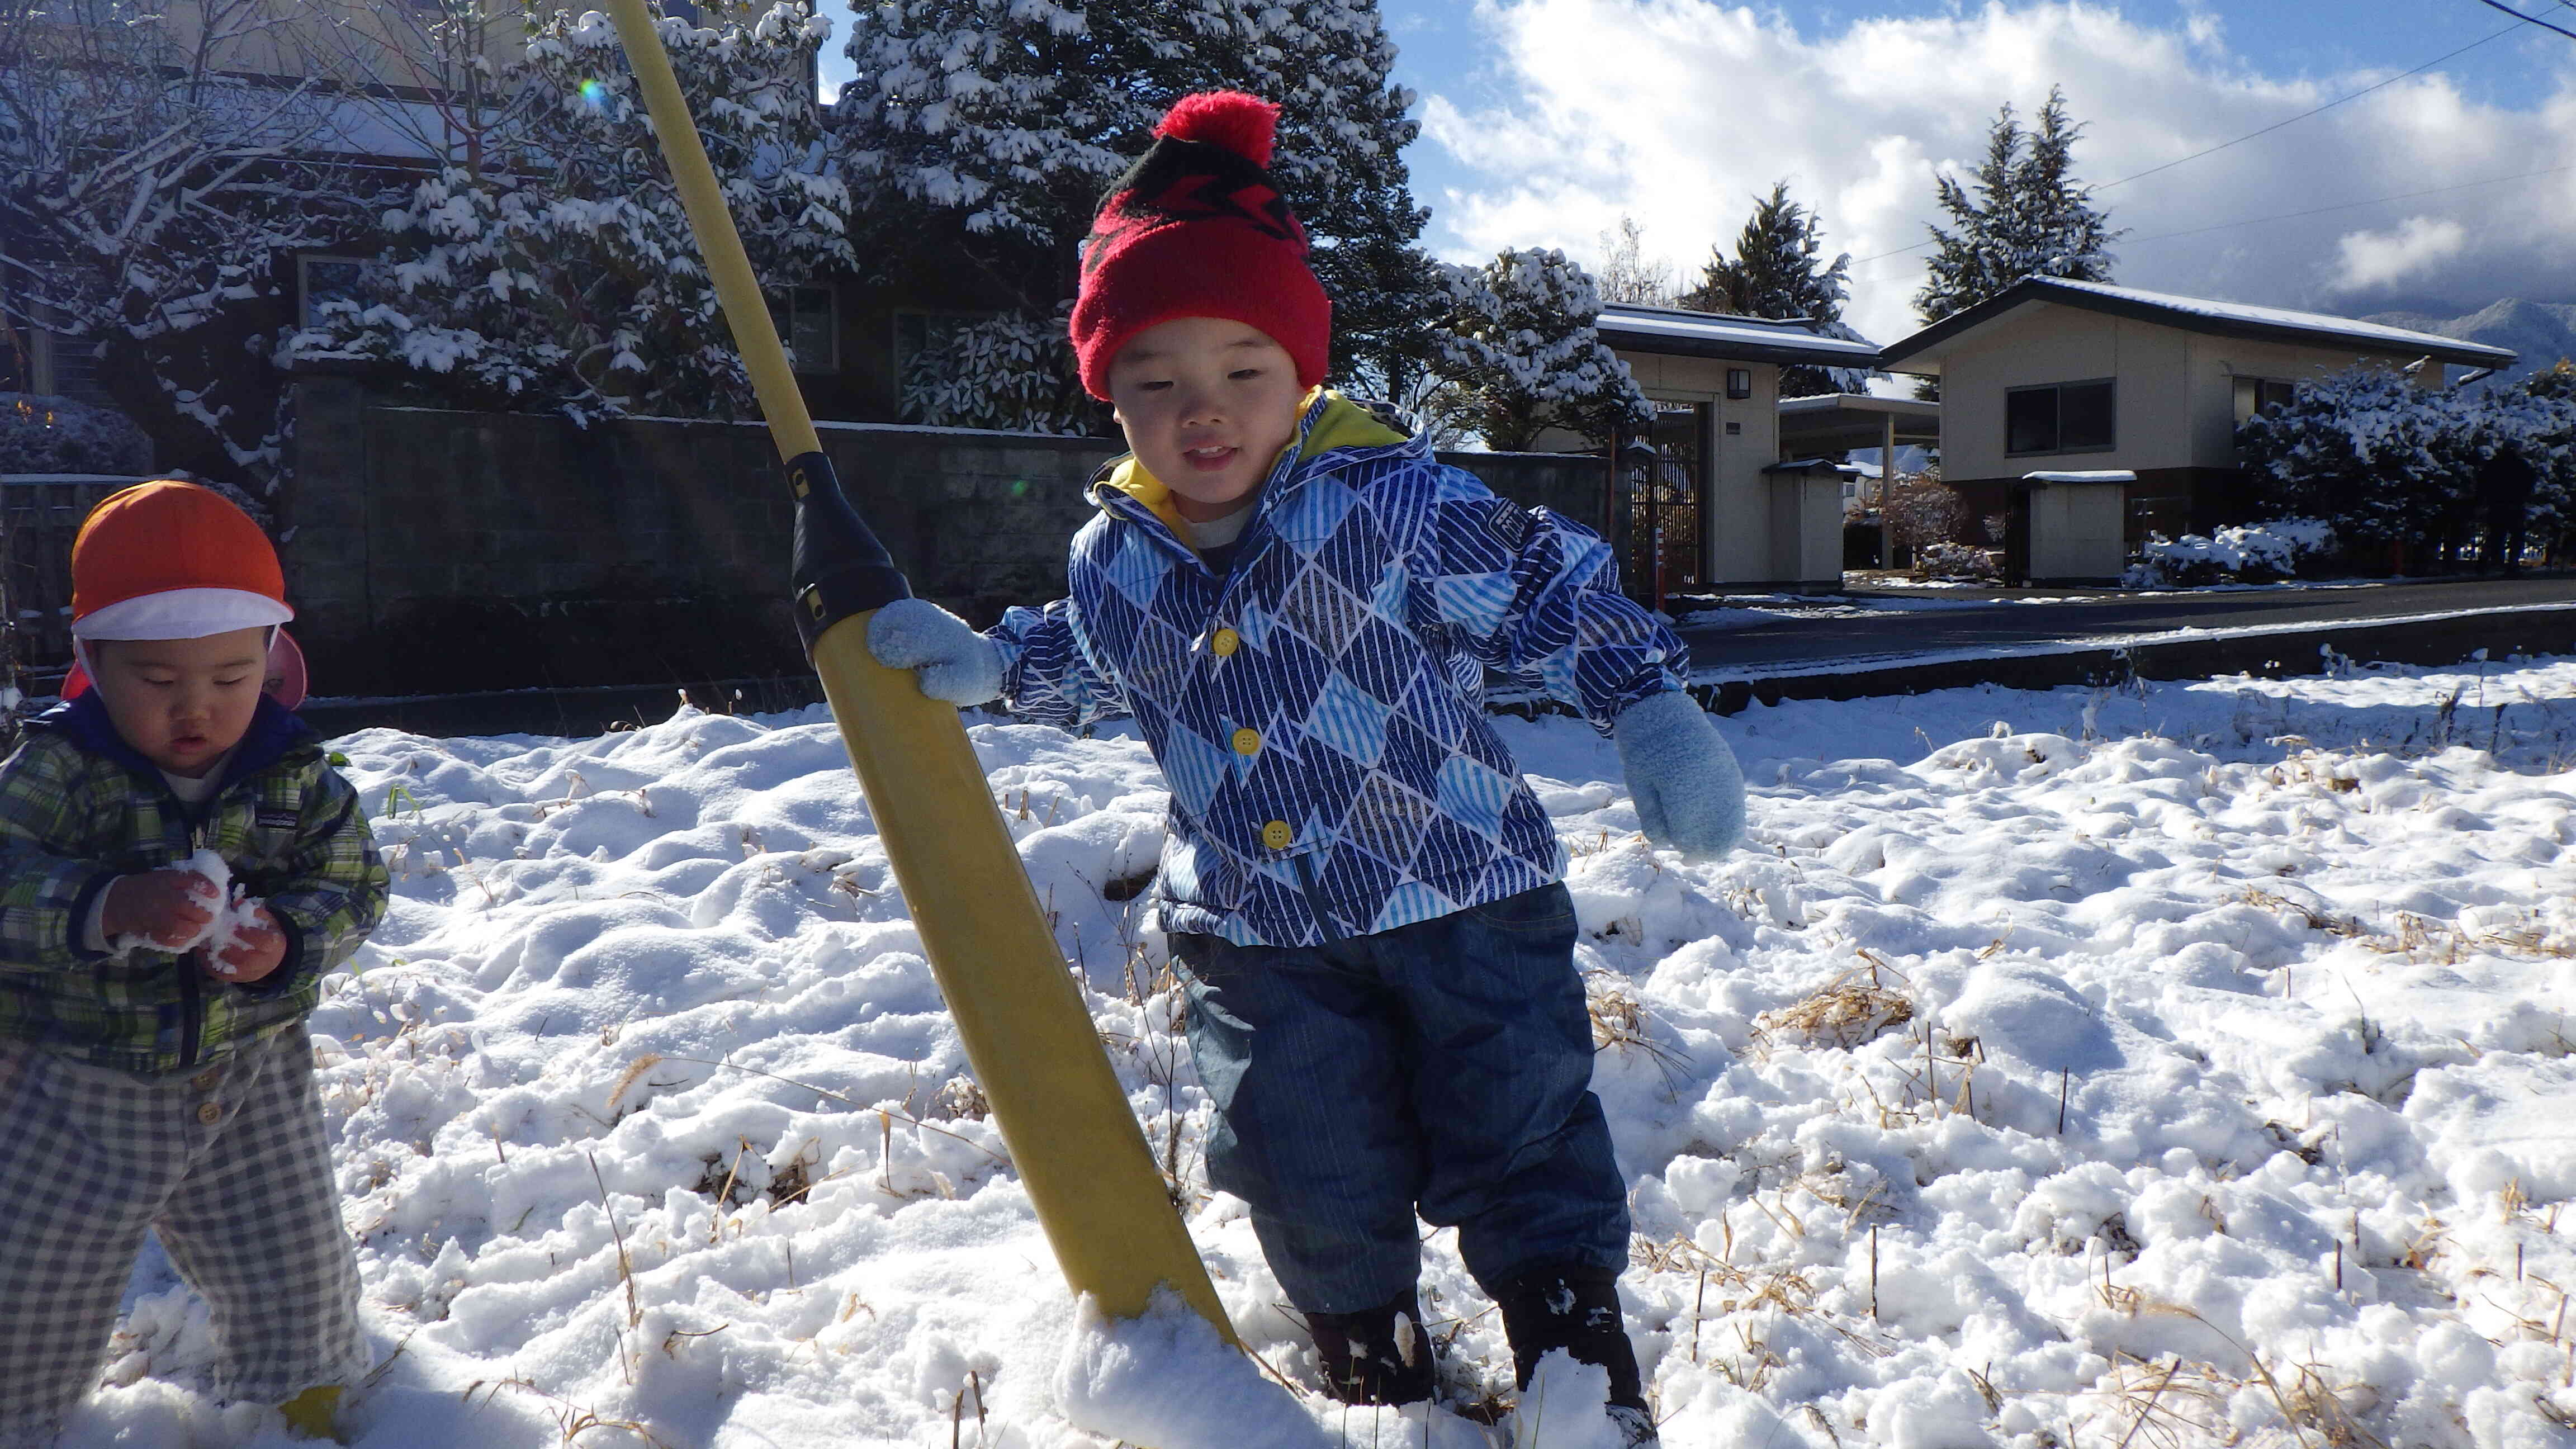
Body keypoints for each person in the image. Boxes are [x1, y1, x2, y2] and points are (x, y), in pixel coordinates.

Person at [868, 91, 1742, 1444]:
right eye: (1156, 382)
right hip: (1261, 939)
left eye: (1241, 372)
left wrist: (1647, 703)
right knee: (1302, 1162)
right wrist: (993, 667)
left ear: (1302, 374)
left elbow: (1539, 587)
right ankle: (1378, 1374)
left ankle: (1580, 1372)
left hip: (1465, 898)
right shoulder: (1117, 556)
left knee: (1520, 1135)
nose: (1200, 411)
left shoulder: (1391, 500)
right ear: (1113, 396)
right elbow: (1095, 664)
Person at [0, 481, 387, 1439]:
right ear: (92, 663)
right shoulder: (56, 774)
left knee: (295, 1262)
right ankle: (23, 1416)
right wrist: (105, 905)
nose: (198, 708)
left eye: (228, 676)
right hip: (76, 1081)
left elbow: (354, 886)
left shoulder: (294, 774)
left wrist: (287, 940)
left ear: (272, 658)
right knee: (30, 1283)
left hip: (250, 1079)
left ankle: (304, 1402)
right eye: (159, 682)